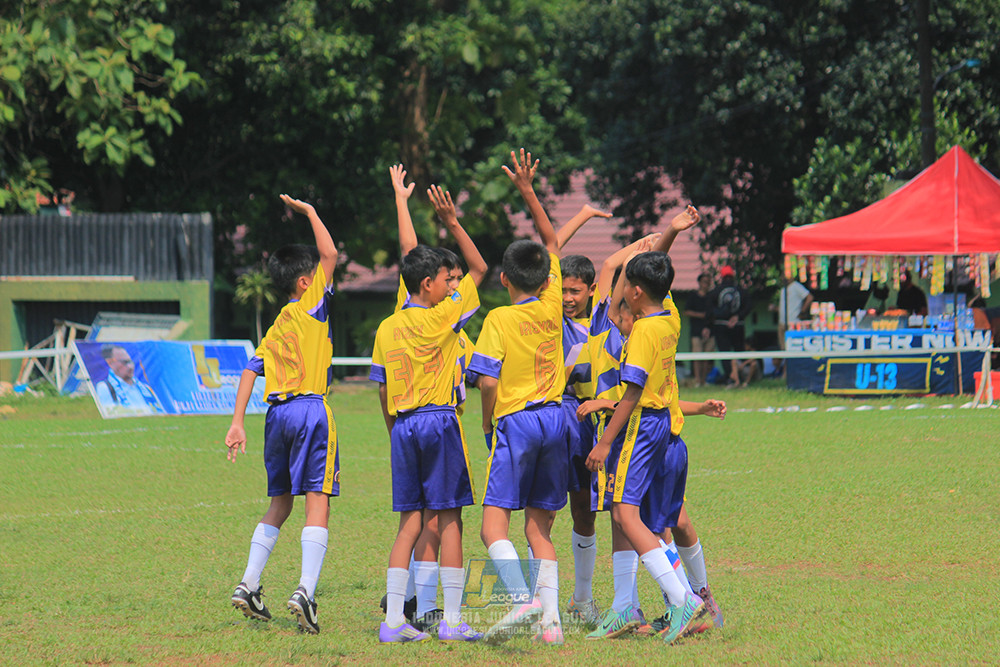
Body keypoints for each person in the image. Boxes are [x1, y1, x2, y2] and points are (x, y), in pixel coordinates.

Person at [371, 177, 487, 643]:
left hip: (402, 426)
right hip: (440, 422)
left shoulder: (387, 325)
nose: (449, 284)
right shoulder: (444, 316)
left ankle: (394, 621)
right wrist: (453, 224)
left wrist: (392, 427)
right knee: (452, 517)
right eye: (444, 279)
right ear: (428, 284)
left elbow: (381, 388)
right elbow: (479, 267)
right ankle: (452, 621)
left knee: (410, 522)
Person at [225, 194, 339, 635]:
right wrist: (311, 211)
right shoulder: (311, 304)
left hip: (276, 417)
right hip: (310, 409)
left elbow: (250, 371)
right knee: (318, 502)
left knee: (279, 503)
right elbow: (329, 252)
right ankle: (306, 591)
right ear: (307, 281)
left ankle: (250, 583)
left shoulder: (277, 323)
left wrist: (237, 423)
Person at [469, 149, 568, 645]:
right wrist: (529, 190)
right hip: (559, 422)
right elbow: (552, 240)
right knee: (539, 530)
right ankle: (550, 627)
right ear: (548, 280)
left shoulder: (499, 319)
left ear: (503, 279)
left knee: (492, 528)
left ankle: (522, 599)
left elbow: (487, 382)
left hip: (519, 423)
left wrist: (488, 424)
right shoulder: (554, 304)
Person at [584, 250, 707, 645]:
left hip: (640, 424)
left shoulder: (642, 332)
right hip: (662, 426)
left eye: (626, 293)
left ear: (636, 292)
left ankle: (681, 597)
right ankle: (627, 606)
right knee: (633, 517)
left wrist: (605, 442)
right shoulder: (671, 318)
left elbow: (633, 391)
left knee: (623, 511)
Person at [709, 265, 752, 386]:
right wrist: (738, 316)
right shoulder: (742, 291)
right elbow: (749, 306)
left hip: (720, 326)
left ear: (722, 277)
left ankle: (730, 377)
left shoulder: (715, 292)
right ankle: (742, 377)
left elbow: (710, 310)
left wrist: (713, 322)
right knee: (739, 351)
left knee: (725, 353)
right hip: (738, 325)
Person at [94, 344, 164, 414]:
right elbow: (110, 415)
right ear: (110, 363)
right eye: (125, 362)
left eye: (130, 362)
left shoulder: (145, 388)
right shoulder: (105, 387)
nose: (130, 367)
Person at [684, 272, 716, 387]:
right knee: (697, 357)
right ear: (699, 283)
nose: (706, 284)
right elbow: (686, 311)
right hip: (696, 331)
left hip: (711, 331)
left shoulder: (712, 297)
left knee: (708, 357)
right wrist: (700, 315)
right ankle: (697, 380)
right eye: (704, 282)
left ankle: (704, 380)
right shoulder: (693, 296)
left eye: (708, 282)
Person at [777, 277, 813, 349]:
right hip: (782, 323)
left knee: (793, 346)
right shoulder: (783, 289)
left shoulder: (796, 286)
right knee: (783, 348)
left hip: (793, 322)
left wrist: (802, 311)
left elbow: (809, 297)